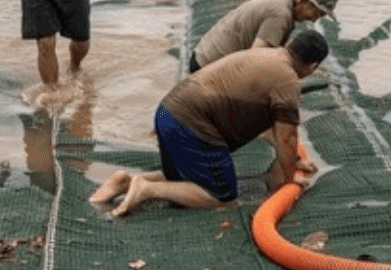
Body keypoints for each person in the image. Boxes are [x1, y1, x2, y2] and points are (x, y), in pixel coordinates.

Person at [91, 29, 328, 218]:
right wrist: (286, 184)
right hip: (193, 123)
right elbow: (286, 138)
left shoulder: (268, 54)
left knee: (186, 181)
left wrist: (294, 162)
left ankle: (125, 182)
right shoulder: (287, 81)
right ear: (313, 66)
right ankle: (147, 189)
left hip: (168, 112)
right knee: (221, 197)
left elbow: (275, 131)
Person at [189, 0, 338, 73]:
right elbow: (256, 59)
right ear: (305, 1)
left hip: (204, 58)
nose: (314, 20)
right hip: (206, 68)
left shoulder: (282, 1)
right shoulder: (280, 16)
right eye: (317, 13)